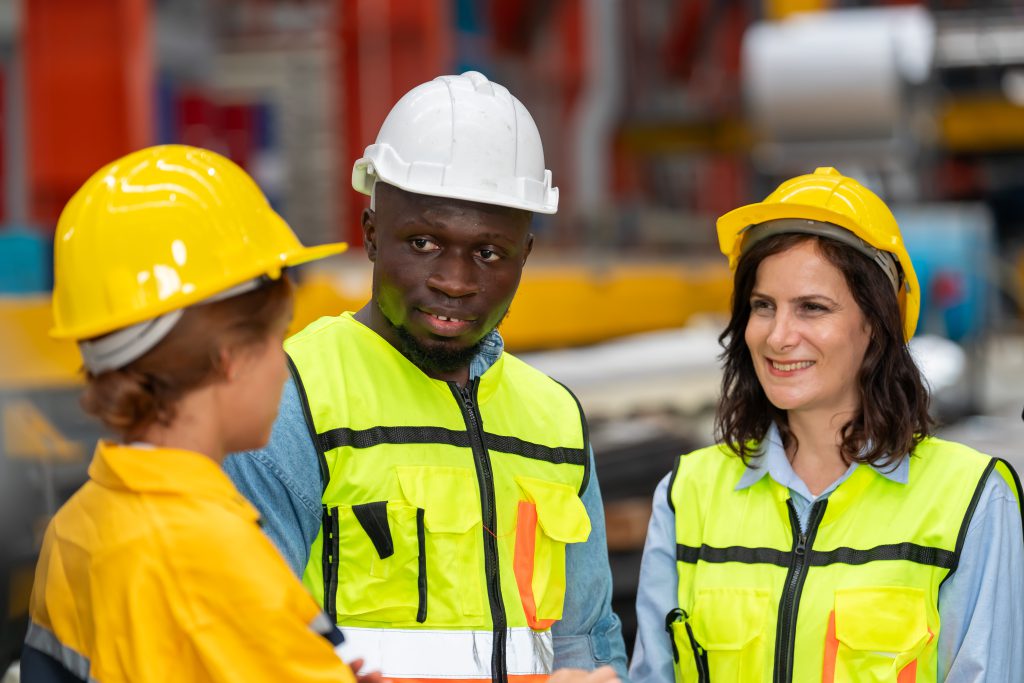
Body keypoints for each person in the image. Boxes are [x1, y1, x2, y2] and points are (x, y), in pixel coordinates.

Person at [223, 71, 628, 682]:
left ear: (525, 258)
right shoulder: (292, 400)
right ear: (370, 237)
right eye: (422, 242)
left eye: (488, 253)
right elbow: (248, 650)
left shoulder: (555, 420)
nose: (455, 281)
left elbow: (585, 645)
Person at [630, 167, 1024, 682]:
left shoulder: (971, 501)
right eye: (763, 307)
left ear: (876, 327)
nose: (778, 336)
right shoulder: (688, 498)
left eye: (812, 308)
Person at [21, 145, 375, 682]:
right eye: (276, 339)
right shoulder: (210, 560)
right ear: (227, 357)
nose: (284, 368)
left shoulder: (79, 523)